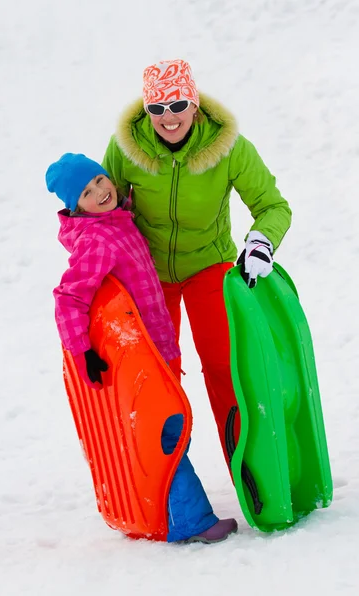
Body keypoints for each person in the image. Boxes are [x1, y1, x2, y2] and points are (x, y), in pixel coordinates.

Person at [102, 59, 292, 474]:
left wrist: (262, 241)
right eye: (157, 109)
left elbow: (273, 207)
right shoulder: (125, 148)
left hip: (209, 265)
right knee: (159, 376)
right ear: (146, 110)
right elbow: (103, 209)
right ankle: (170, 480)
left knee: (224, 366)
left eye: (178, 105)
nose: (168, 118)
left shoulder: (229, 147)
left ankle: (250, 466)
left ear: (195, 103)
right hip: (150, 274)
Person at [45, 153, 238, 544]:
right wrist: (83, 352)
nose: (100, 192)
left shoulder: (117, 220)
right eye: (86, 192)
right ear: (74, 206)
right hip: (141, 356)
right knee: (166, 431)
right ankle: (193, 522)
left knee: (169, 429)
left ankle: (159, 514)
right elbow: (69, 298)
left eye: (100, 181)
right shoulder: (98, 239)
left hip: (158, 349)